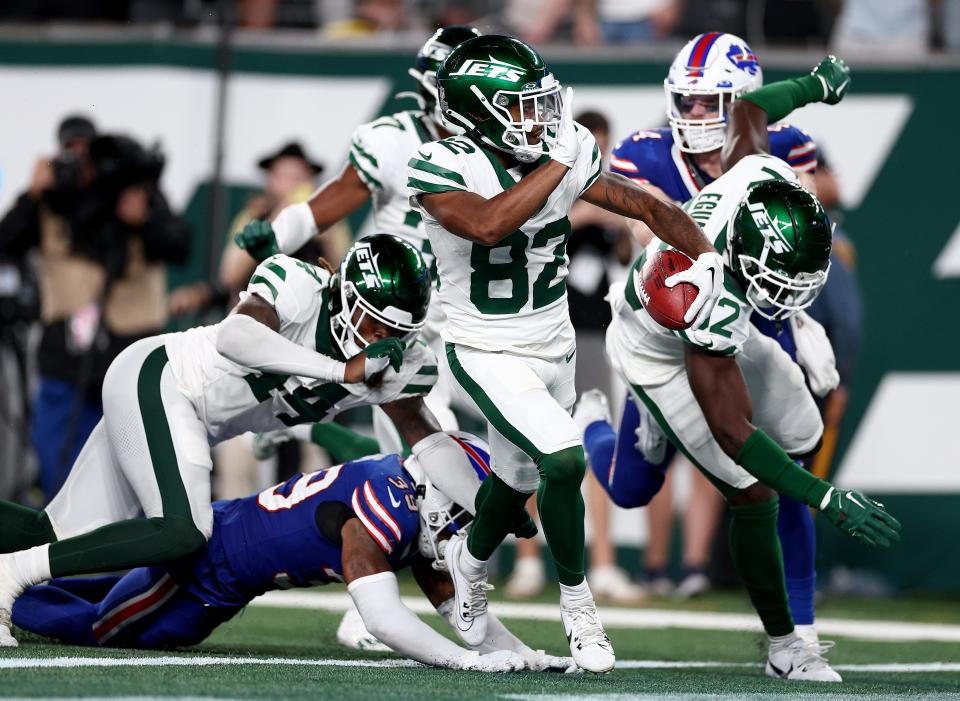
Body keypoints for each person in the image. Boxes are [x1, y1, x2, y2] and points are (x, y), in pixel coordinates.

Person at [406, 34, 726, 673]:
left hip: (553, 343)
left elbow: (641, 204)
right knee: (562, 458)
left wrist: (704, 255)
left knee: (517, 477)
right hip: (484, 344)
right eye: (522, 107)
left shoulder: (559, 150)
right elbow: (490, 224)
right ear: (480, 112)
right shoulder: (439, 164)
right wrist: (555, 164)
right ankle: (579, 609)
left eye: (540, 105)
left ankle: (468, 560)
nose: (540, 118)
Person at [0, 234, 486, 648]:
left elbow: (428, 441)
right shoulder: (300, 285)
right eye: (377, 322)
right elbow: (237, 336)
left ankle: (17, 560)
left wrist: (491, 507)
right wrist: (339, 371)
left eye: (399, 330)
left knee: (55, 534)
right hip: (163, 378)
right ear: (344, 296)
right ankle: (10, 577)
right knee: (183, 530)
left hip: (187, 412)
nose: (383, 338)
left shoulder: (400, 360)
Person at [588, 57, 901, 681]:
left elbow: (753, 110)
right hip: (660, 350)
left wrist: (815, 85)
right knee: (746, 490)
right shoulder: (704, 299)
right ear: (748, 268)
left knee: (803, 440)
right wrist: (827, 496)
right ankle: (786, 647)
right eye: (783, 286)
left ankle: (800, 629)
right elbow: (735, 432)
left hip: (731, 317)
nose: (793, 294)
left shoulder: (755, 170)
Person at [603, 31, 834, 621]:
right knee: (630, 488)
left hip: (761, 321)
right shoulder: (647, 154)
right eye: (689, 101)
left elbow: (812, 208)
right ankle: (591, 423)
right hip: (675, 323)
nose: (697, 113)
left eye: (711, 102)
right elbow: (640, 232)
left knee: (779, 481)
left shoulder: (775, 147)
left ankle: (799, 633)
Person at [11, 432, 572, 672]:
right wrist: (466, 663)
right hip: (206, 570)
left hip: (224, 575)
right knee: (103, 630)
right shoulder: (387, 503)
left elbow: (465, 617)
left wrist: (534, 657)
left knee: (105, 600)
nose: (463, 533)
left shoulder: (408, 500)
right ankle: (9, 599)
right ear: (439, 493)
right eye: (465, 517)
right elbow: (382, 616)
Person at [236, 26, 484, 443]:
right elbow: (320, 210)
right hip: (400, 318)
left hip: (469, 316)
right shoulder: (393, 142)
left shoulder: (506, 151)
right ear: (436, 92)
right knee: (434, 442)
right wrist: (275, 238)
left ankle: (302, 432)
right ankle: (300, 428)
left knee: (522, 440)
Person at [0, 117, 190, 502]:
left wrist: (143, 219)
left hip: (132, 354)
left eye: (88, 154)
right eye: (70, 154)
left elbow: (179, 246)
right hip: (65, 357)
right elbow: (6, 242)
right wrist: (33, 195)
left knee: (134, 464)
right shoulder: (51, 197)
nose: (81, 166)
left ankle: (122, 555)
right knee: (59, 462)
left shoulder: (134, 191)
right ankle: (64, 547)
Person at [504, 110, 644, 604]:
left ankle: (603, 562)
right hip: (538, 332)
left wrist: (624, 223)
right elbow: (523, 232)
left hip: (592, 333)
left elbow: (631, 258)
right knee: (530, 443)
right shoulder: (542, 183)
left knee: (595, 441)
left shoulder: (611, 188)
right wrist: (584, 212)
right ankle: (526, 558)